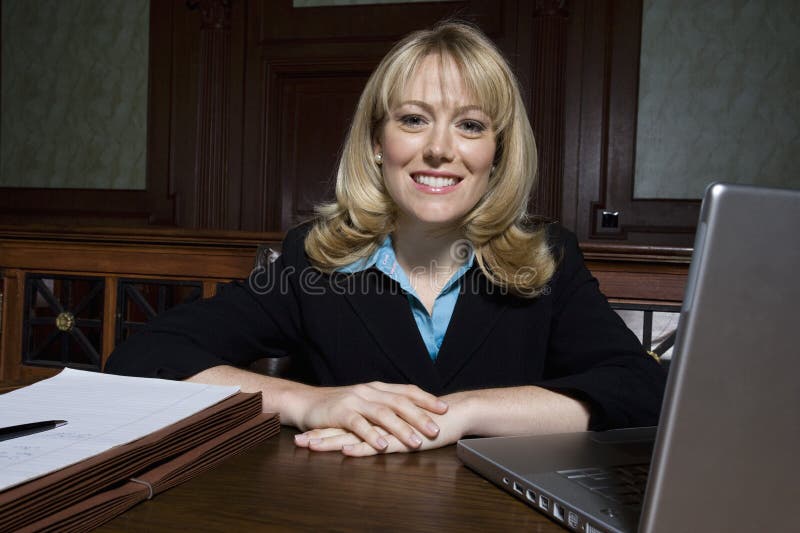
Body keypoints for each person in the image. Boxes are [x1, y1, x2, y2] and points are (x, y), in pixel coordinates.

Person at [106, 21, 666, 456]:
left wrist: (463, 412)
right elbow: (144, 357)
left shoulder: (550, 258)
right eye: (414, 119)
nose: (441, 150)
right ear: (377, 141)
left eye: (470, 125)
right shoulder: (312, 261)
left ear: (497, 154)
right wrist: (311, 403)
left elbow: (643, 392)